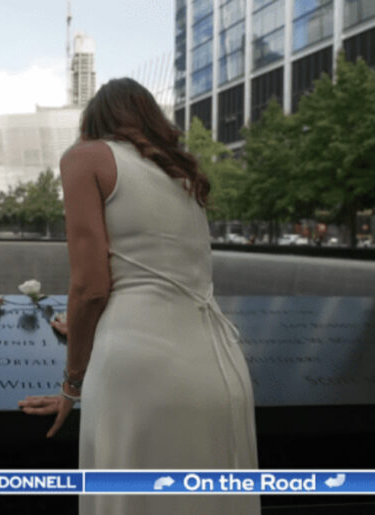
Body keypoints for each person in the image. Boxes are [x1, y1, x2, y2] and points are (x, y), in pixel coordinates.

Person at [18, 78, 260, 514]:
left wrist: (73, 386)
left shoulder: (85, 158)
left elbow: (90, 287)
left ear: (93, 122)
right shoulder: (183, 177)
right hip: (220, 371)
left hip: (140, 374)